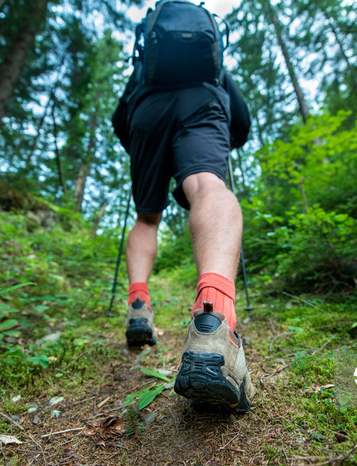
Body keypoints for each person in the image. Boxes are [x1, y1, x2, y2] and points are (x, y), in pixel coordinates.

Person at [111, 1, 255, 413]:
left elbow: (121, 121)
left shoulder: (144, 67)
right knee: (207, 184)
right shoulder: (212, 69)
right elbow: (240, 123)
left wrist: (144, 144)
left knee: (146, 216)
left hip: (146, 115)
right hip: (202, 104)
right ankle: (214, 323)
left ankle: (139, 303)